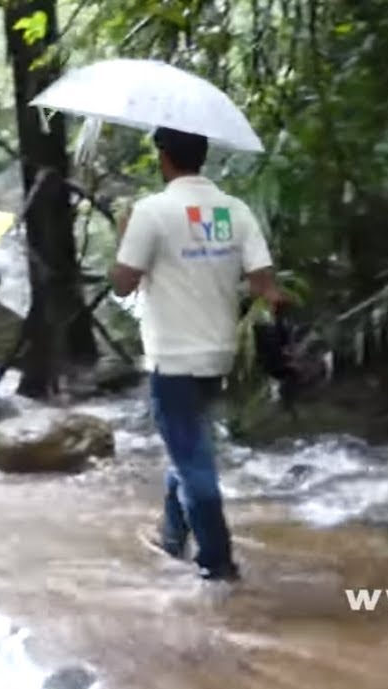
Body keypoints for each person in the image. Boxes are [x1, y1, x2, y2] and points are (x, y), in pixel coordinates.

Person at [111, 126, 285, 583]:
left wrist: (127, 237)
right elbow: (265, 284)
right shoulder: (235, 210)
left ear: (164, 158)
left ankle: (217, 563)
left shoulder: (152, 212)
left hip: (173, 356)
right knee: (188, 447)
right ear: (203, 157)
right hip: (219, 353)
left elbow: (122, 283)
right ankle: (172, 536)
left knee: (194, 463)